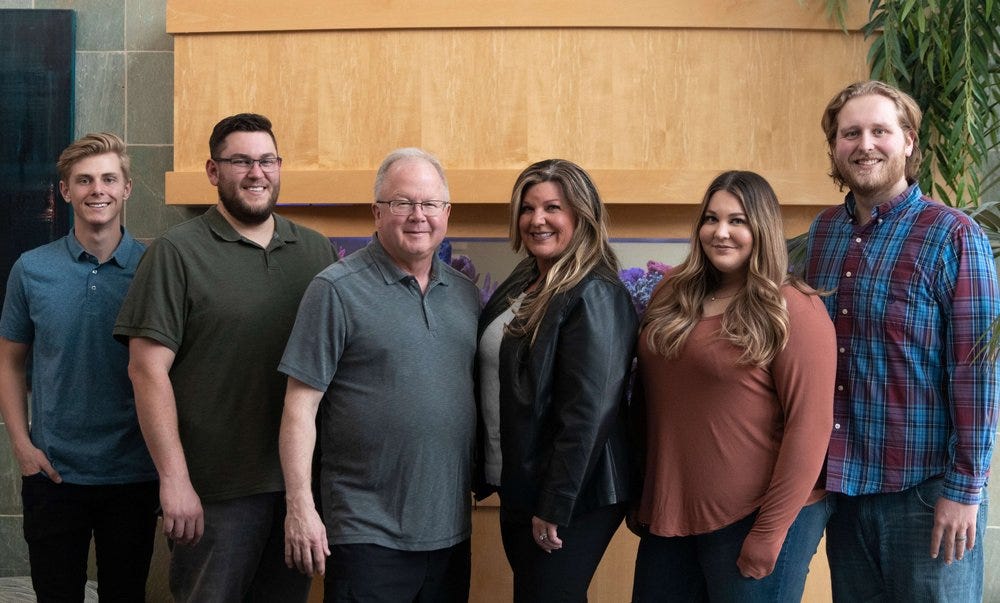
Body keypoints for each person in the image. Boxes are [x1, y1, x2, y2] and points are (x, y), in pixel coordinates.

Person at [113, 113, 336, 601]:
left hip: (296, 489)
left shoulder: (316, 251)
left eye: (267, 160)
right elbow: (146, 370)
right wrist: (174, 481)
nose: (257, 172)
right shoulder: (176, 252)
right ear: (213, 172)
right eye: (240, 161)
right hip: (213, 493)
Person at [805, 80, 999, 601]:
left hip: (927, 495)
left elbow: (976, 371)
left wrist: (965, 490)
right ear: (834, 148)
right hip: (844, 491)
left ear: (908, 141)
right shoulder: (823, 234)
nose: (864, 144)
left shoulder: (954, 236)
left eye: (880, 131)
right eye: (850, 133)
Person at [278, 148, 480, 602]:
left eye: (430, 204)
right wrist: (301, 507)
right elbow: (299, 407)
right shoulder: (335, 290)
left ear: (446, 213)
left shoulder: (465, 295)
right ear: (376, 211)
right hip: (364, 532)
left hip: (449, 532)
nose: (417, 216)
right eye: (401, 202)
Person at [630, 170, 836, 602]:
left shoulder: (793, 307)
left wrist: (770, 531)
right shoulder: (673, 291)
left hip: (755, 517)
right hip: (670, 515)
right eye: (711, 218)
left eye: (738, 221)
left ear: (762, 228)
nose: (720, 232)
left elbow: (810, 427)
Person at [0, 133, 159, 601]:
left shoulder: (155, 269)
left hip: (134, 472)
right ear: (65, 191)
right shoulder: (31, 269)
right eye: (84, 180)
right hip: (53, 473)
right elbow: (9, 363)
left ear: (127, 188)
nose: (98, 189)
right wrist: (22, 447)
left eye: (109, 178)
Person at [474, 158, 637, 602]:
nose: (537, 220)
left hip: (571, 495)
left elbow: (587, 412)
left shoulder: (596, 293)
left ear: (582, 216)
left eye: (553, 208)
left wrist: (555, 504)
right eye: (527, 208)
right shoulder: (528, 279)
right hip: (522, 484)